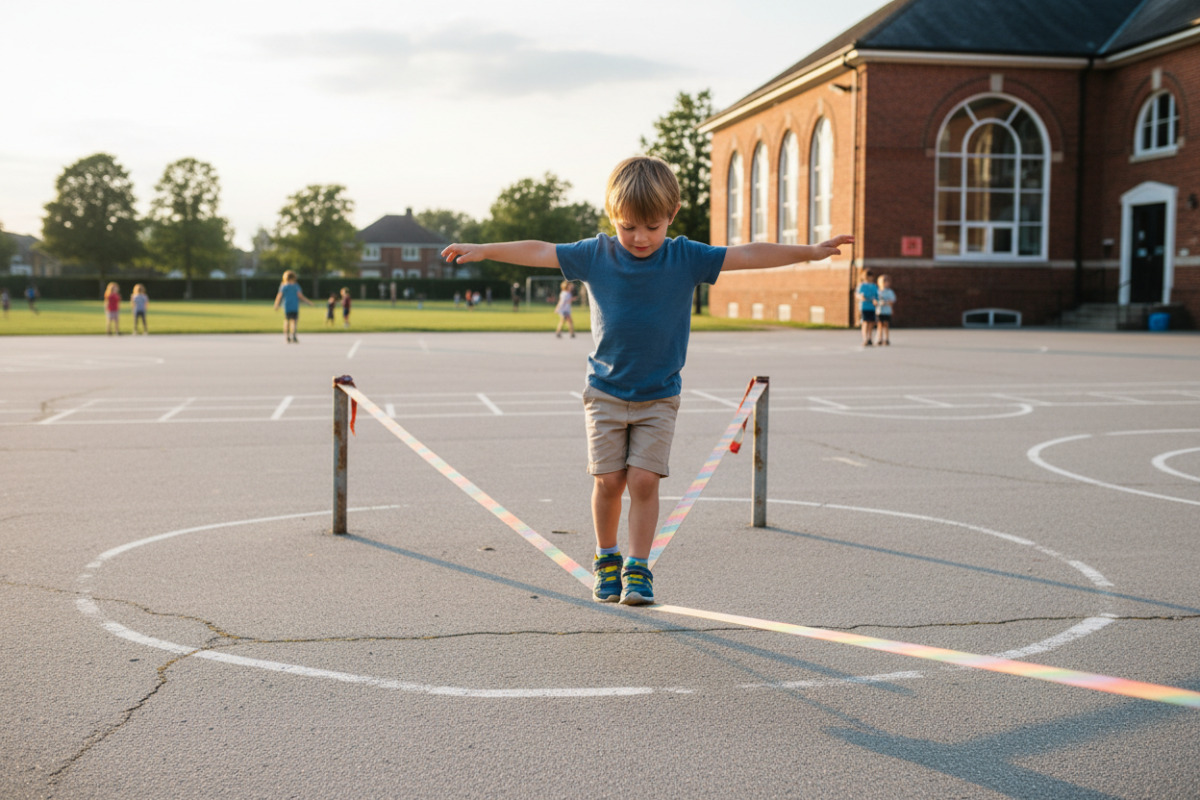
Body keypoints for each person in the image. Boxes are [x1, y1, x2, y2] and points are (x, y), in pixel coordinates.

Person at [442, 155, 852, 605]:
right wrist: (485, 250)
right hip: (605, 393)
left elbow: (749, 253)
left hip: (659, 396)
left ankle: (638, 568)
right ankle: (607, 557)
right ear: (612, 217)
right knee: (609, 482)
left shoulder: (685, 257)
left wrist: (809, 253)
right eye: (628, 227)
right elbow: (541, 250)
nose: (640, 238)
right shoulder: (595, 254)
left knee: (643, 481)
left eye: (652, 227)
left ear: (671, 216)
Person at [273, 270, 313, 343]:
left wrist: (276, 304)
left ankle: (287, 336)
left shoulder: (284, 286)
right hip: (294, 306)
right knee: (294, 321)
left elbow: (279, 296)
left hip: (287, 306)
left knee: (287, 321)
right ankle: (293, 335)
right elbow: (301, 296)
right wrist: (308, 302)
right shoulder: (296, 286)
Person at [855, 268, 878, 346]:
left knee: (871, 323)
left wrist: (876, 300)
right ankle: (865, 338)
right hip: (864, 307)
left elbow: (877, 296)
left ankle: (870, 338)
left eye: (871, 276)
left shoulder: (874, 286)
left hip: (872, 307)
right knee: (865, 323)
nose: (870, 278)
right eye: (868, 276)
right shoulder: (862, 286)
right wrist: (861, 297)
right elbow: (857, 295)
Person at [876, 274, 896, 346]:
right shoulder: (878, 292)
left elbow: (892, 301)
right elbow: (875, 301)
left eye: (887, 282)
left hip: (887, 311)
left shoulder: (890, 292)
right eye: (884, 282)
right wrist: (879, 302)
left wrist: (886, 302)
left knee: (886, 324)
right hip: (879, 311)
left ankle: (886, 339)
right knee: (880, 325)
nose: (886, 284)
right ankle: (879, 339)